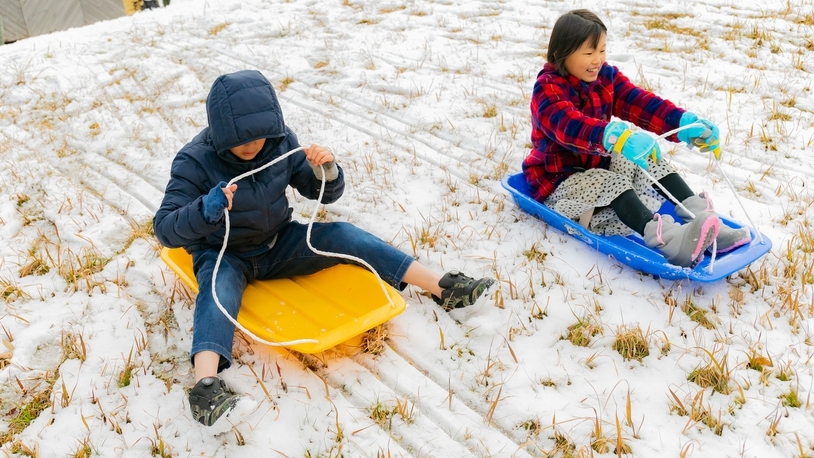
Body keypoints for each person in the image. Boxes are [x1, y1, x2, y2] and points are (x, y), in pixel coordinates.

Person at [153, 70, 495, 426]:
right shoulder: (194, 161)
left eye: (260, 135)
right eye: (242, 139)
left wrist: (327, 171)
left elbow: (321, 193)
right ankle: (205, 386)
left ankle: (443, 286)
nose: (253, 144)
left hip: (278, 242)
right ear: (222, 133)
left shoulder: (281, 143)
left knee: (345, 235)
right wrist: (203, 210)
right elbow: (164, 228)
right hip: (226, 252)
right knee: (216, 291)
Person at [522, 9, 751, 268]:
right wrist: (612, 136)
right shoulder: (548, 88)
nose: (597, 59)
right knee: (611, 181)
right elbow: (568, 125)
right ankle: (671, 242)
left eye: (602, 50)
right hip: (559, 179)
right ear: (561, 54)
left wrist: (683, 123)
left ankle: (703, 221)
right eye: (588, 53)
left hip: (596, 162)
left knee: (646, 158)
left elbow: (638, 102)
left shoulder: (604, 77)